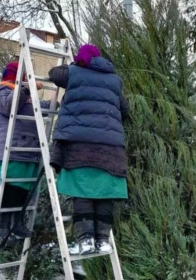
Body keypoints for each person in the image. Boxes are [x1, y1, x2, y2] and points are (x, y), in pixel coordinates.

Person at [48, 44, 130, 255]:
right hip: (111, 148)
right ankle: (103, 241)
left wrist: (74, 64)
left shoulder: (73, 73)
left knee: (81, 192)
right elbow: (125, 109)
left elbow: (54, 74)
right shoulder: (114, 80)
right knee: (104, 194)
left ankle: (85, 240)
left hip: (79, 145)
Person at [0, 62, 51, 243]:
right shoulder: (2, 89)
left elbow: (39, 108)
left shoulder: (23, 95)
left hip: (26, 149)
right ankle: (3, 227)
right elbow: (8, 106)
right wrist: (26, 89)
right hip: (9, 149)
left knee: (22, 189)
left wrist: (59, 103)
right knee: (9, 189)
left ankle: (17, 223)